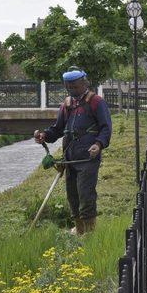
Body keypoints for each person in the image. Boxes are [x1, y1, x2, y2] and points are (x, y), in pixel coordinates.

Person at [34, 67, 112, 235]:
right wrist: (44, 135)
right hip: (70, 159)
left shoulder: (97, 102)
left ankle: (90, 232)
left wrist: (98, 145)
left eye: (75, 87)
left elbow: (106, 128)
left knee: (86, 194)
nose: (72, 90)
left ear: (85, 83)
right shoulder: (67, 105)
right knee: (73, 196)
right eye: (69, 87)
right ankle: (79, 229)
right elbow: (57, 130)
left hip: (88, 158)